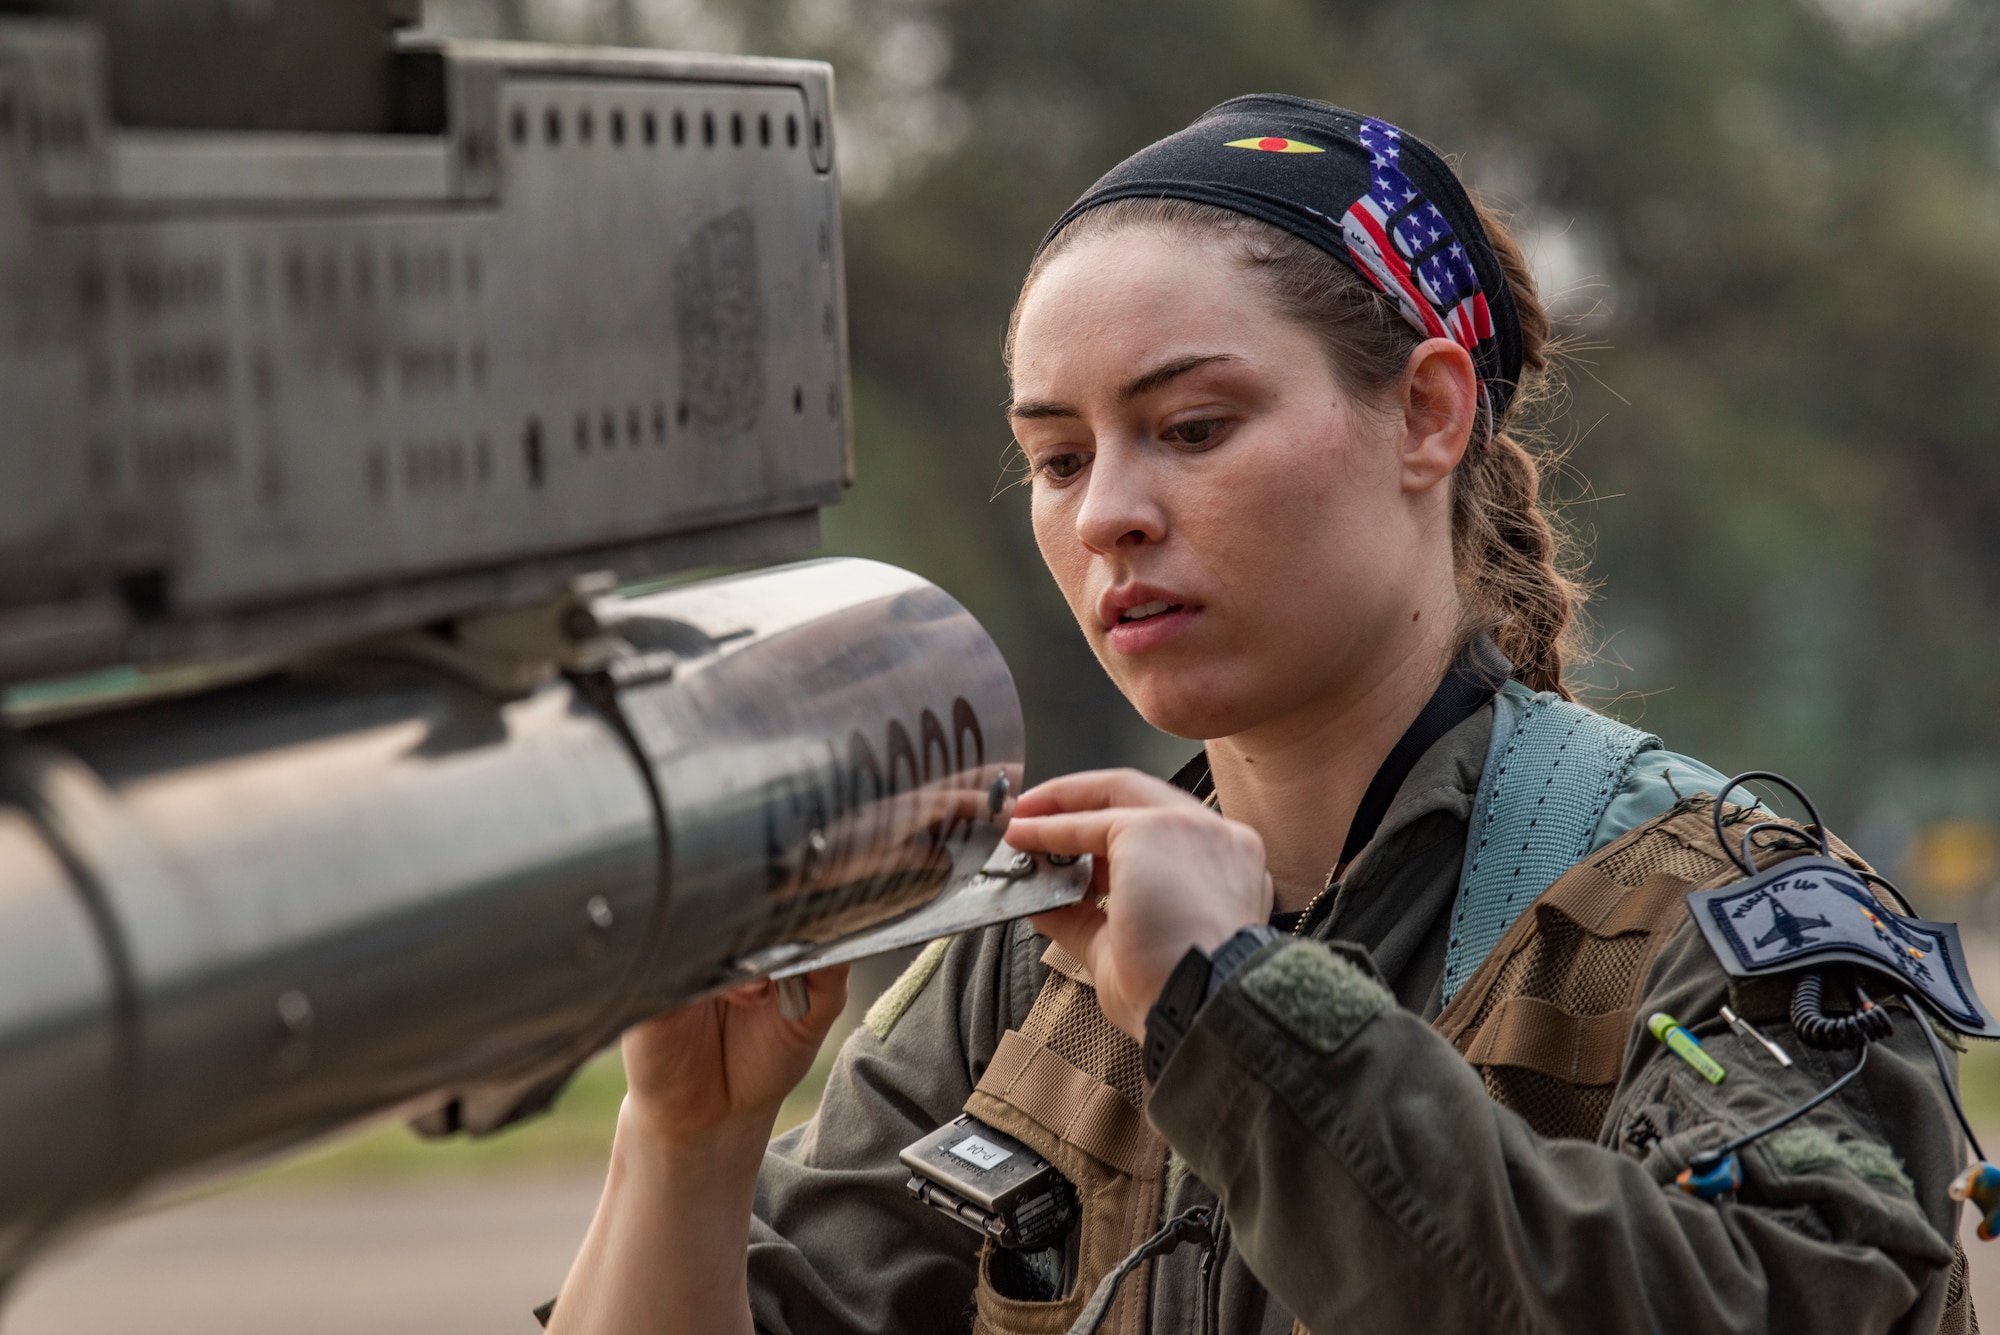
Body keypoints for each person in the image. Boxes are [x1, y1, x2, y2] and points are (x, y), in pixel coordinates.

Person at [545, 94, 1973, 1335]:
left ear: (1427, 413)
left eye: (1193, 429)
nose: (1107, 515)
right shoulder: (1028, 954)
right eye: (1054, 457)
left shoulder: (1727, 921)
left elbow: (1783, 1300)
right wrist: (686, 1141)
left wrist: (1236, 1007)